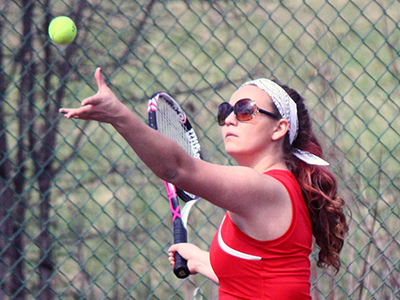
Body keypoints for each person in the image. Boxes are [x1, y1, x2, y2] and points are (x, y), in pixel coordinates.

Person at [60, 68, 349, 299]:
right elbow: (261, 277)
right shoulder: (272, 190)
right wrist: (201, 261)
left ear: (279, 128)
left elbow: (176, 168)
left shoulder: (262, 189)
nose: (231, 120)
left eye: (246, 110)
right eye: (226, 112)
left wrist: (117, 115)